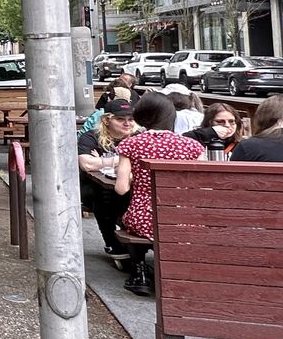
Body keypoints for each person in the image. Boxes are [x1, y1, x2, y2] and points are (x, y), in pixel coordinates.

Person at [112, 93, 206, 295]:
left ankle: (140, 272)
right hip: (183, 218)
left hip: (145, 217)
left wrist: (133, 178)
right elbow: (201, 187)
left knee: (126, 217)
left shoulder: (131, 144)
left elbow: (121, 189)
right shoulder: (192, 146)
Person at [75, 96, 138, 264]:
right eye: (120, 119)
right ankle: (114, 243)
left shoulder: (138, 137)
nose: (127, 124)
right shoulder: (91, 137)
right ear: (107, 120)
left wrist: (102, 161)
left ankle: (132, 248)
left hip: (128, 188)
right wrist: (124, 159)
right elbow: (87, 164)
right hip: (94, 189)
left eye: (131, 119)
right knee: (103, 195)